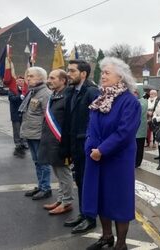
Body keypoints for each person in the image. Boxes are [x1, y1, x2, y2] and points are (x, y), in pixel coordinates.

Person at [83, 57, 141, 250]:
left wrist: (102, 150)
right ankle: (106, 236)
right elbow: (92, 126)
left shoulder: (129, 101)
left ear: (120, 76)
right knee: (101, 198)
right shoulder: (101, 98)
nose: (102, 76)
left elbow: (124, 133)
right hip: (96, 156)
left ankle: (121, 244)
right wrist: (90, 146)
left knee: (119, 201)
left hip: (117, 160)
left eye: (107, 72)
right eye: (102, 72)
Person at [61, 59, 99, 233]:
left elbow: (98, 121)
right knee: (79, 179)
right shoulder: (71, 91)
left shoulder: (92, 92)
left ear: (83, 74)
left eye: (72, 71)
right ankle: (83, 213)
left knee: (86, 182)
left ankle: (90, 218)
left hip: (86, 144)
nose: (68, 74)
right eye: (68, 71)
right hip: (74, 143)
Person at [38, 69, 74, 215]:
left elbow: (69, 122)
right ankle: (60, 199)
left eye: (53, 78)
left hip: (61, 143)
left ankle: (67, 202)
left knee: (64, 174)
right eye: (49, 78)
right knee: (58, 174)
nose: (49, 81)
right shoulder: (55, 95)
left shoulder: (68, 96)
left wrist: (66, 144)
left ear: (63, 80)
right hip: (51, 141)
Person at [20, 67, 52, 200]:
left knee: (43, 162)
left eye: (31, 76)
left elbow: (48, 117)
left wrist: (46, 135)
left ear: (40, 78)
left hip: (40, 134)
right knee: (37, 161)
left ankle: (46, 188)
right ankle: (40, 185)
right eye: (28, 76)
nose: (28, 79)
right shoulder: (32, 92)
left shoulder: (45, 93)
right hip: (31, 133)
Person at [8, 76, 28, 157]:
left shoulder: (26, 90)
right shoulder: (12, 89)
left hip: (24, 112)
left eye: (22, 81)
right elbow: (11, 98)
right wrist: (20, 96)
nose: (21, 82)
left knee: (24, 129)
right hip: (15, 112)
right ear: (16, 82)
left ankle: (24, 142)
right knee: (17, 129)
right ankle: (18, 143)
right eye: (19, 81)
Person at [135, 86, 148, 168]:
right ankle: (136, 161)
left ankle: (138, 162)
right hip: (137, 128)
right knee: (137, 146)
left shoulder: (142, 102)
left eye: (136, 92)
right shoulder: (139, 101)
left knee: (139, 146)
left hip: (141, 128)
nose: (134, 94)